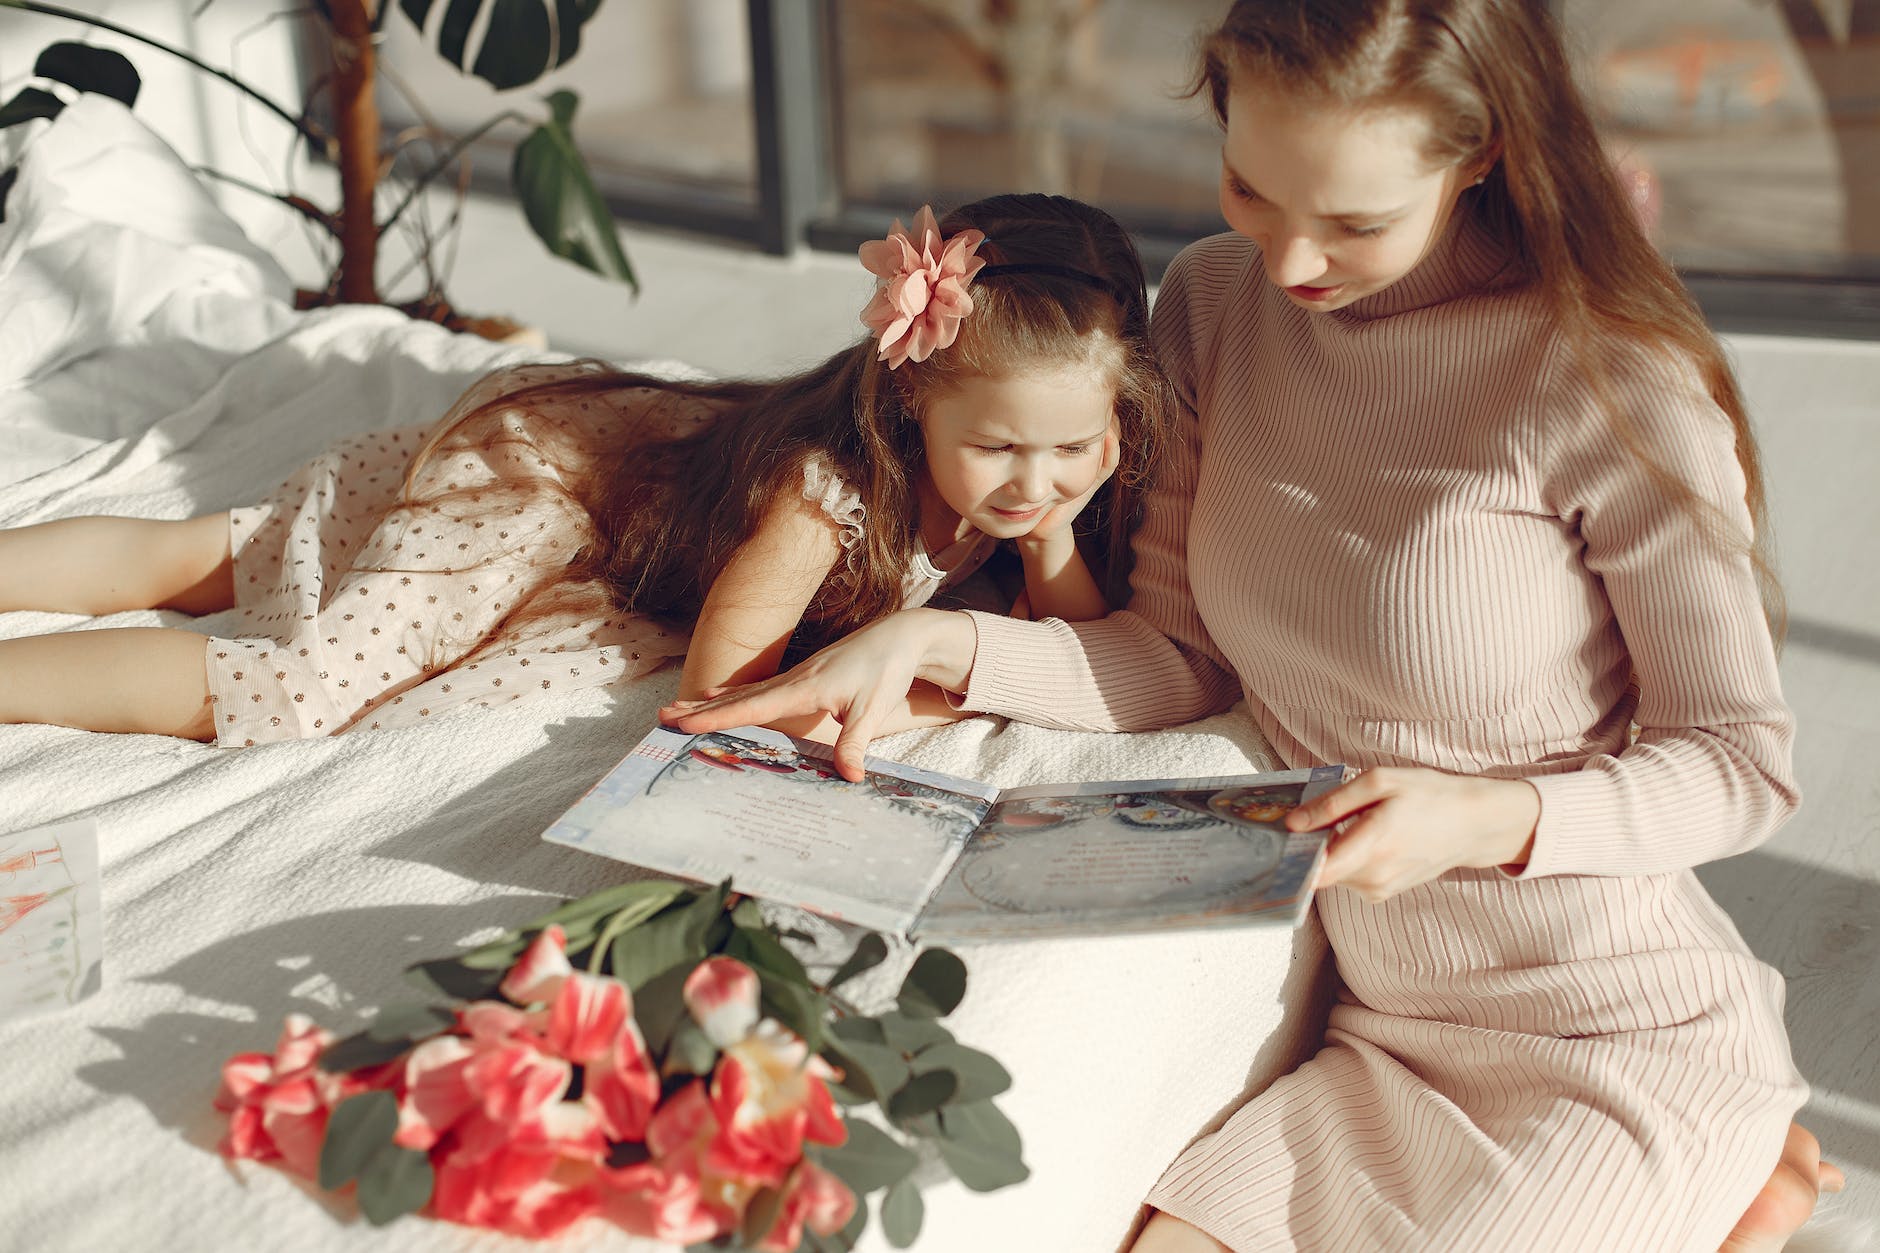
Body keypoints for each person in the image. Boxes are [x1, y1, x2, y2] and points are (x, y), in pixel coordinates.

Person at [660, 2, 1845, 1249]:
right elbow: (1174, 660)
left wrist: (1483, 815)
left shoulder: (1608, 378)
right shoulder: (1215, 305)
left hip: (1613, 1037)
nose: (1289, 264)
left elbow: (1738, 766)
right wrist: (927, 647)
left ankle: (1732, 1194)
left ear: (1482, 147)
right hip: (1382, 1039)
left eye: (1352, 221)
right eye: (1247, 187)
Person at [0, 194, 1173, 748]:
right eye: (1001, 449)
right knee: (306, 681)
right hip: (543, 485)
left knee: (250, 545)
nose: (1036, 479)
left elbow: (1071, 630)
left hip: (612, 449)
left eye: (1074, 446)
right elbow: (720, 692)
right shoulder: (827, 497)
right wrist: (909, 694)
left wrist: (1048, 541)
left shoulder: (1039, 492)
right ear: (914, 396)